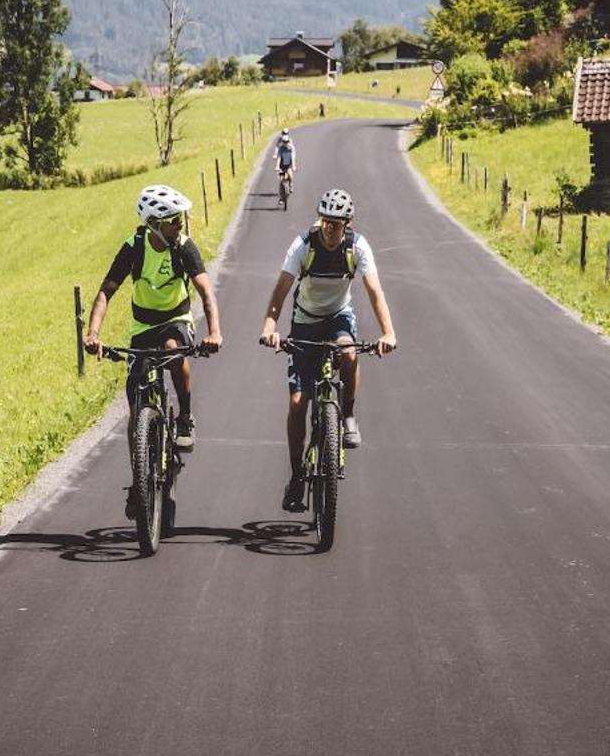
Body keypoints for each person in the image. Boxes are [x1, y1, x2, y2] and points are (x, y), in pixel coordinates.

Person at [257, 186, 397, 512]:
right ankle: (296, 477)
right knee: (297, 401)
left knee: (348, 352)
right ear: (320, 220)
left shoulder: (357, 247)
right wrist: (269, 327)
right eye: (326, 222)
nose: (331, 229)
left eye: (338, 223)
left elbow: (374, 291)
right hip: (305, 318)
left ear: (348, 223)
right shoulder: (303, 245)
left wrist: (388, 332)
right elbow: (281, 288)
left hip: (338, 315)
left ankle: (347, 414)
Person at [84, 185, 223, 453]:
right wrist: (93, 334)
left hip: (177, 318)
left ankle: (184, 418)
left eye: (179, 218)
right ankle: (140, 471)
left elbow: (206, 292)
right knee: (135, 394)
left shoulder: (183, 247)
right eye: (173, 220)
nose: (179, 225)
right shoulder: (134, 247)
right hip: (143, 324)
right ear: (153, 224)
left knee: (173, 350)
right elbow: (106, 292)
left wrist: (214, 331)